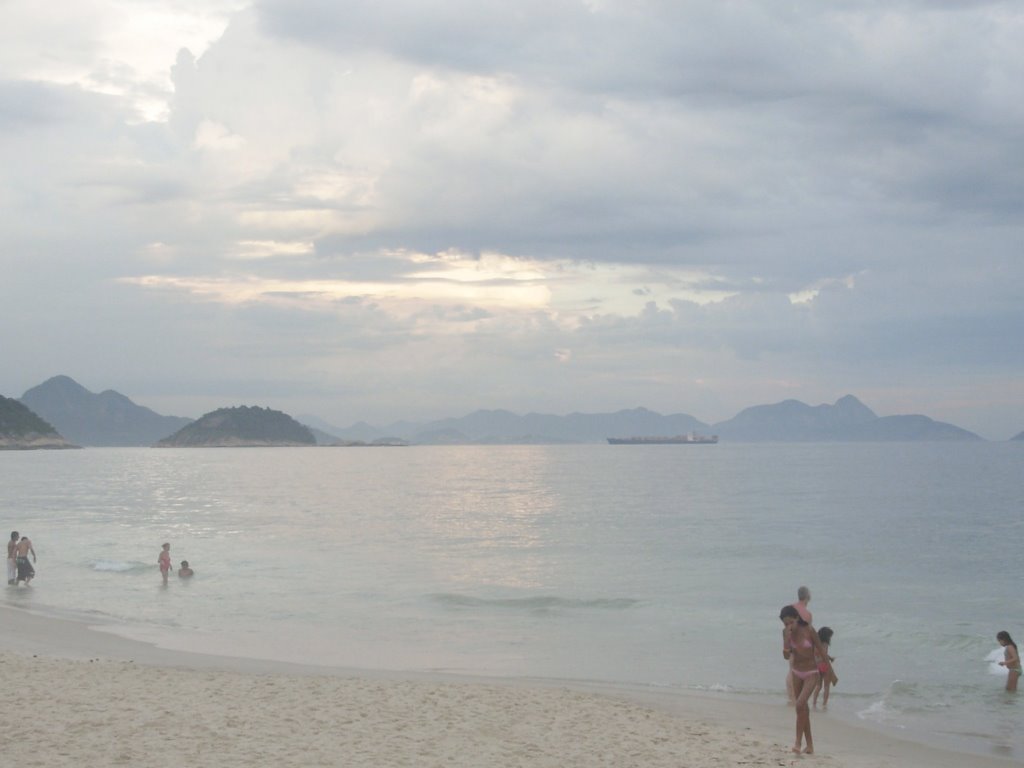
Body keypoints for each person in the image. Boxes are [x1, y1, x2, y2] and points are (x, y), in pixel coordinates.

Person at [780, 604, 831, 755]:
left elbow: (821, 651)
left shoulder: (809, 630)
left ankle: (797, 743)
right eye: (785, 623)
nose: (789, 625)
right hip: (796, 672)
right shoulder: (785, 633)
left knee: (800, 704)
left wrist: (829, 671)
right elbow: (786, 656)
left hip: (812, 672)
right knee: (803, 709)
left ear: (796, 618)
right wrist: (786, 640)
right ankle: (810, 746)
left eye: (790, 622)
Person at [812, 626, 837, 708]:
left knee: (818, 686)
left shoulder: (815, 643)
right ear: (826, 636)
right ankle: (824, 704)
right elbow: (824, 654)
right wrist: (830, 659)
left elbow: (819, 653)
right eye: (830, 636)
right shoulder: (825, 644)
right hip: (824, 665)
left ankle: (814, 703)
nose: (830, 638)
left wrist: (829, 657)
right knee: (826, 686)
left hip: (816, 666)